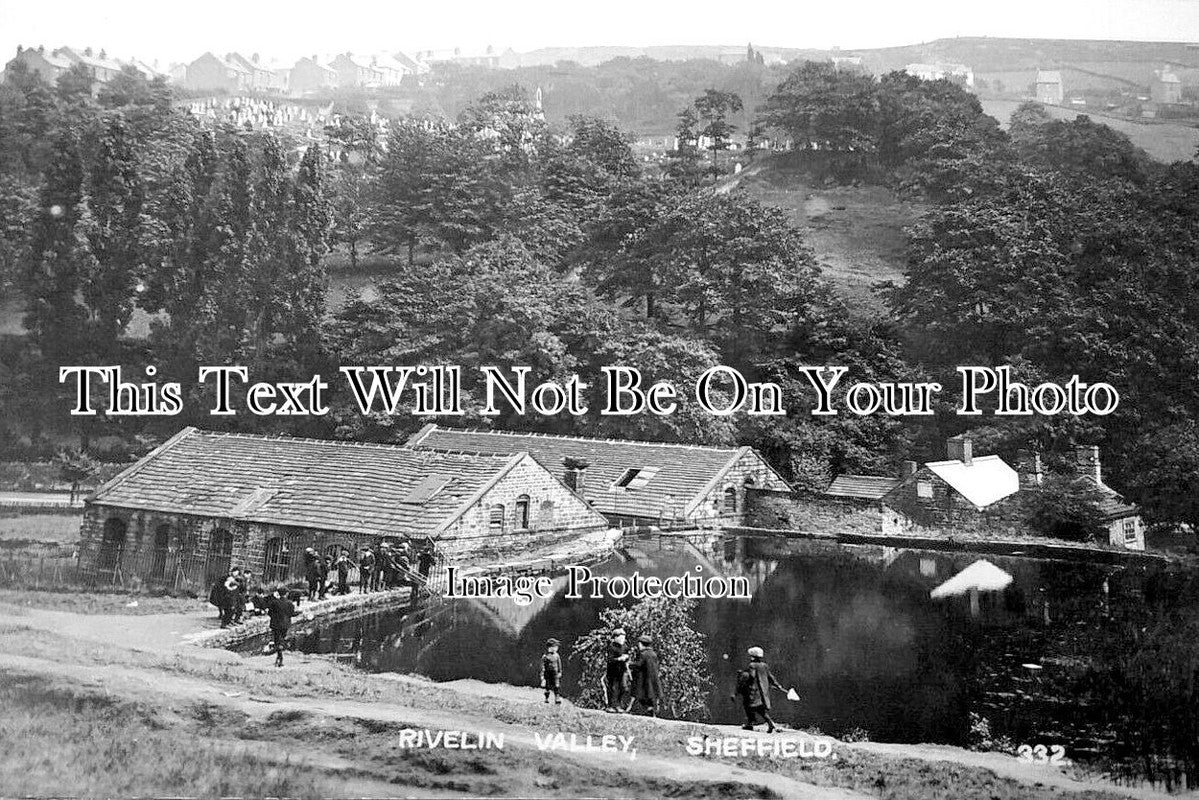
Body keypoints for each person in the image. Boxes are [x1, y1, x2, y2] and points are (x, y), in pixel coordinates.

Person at [733, 646, 786, 733]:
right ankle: (767, 723)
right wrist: (777, 685)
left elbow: (751, 676)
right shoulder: (764, 666)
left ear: (752, 657)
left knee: (749, 706)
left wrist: (743, 674)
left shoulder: (752, 665)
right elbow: (770, 677)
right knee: (760, 709)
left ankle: (752, 724)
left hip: (753, 691)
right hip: (762, 692)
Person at [630, 634, 662, 717]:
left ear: (641, 644)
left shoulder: (643, 654)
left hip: (644, 680)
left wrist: (630, 664)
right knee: (650, 696)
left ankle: (648, 710)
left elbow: (639, 664)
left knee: (641, 696)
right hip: (652, 679)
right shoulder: (653, 654)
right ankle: (651, 710)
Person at [266, 586, 297, 668]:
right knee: (282, 638)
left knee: (277, 639)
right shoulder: (290, 603)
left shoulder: (274, 602)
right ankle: (280, 656)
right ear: (286, 594)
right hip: (285, 624)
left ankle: (279, 656)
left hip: (275, 624)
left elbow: (269, 613)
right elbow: (292, 614)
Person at [604, 628, 631, 713]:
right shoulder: (611, 647)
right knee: (612, 688)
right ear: (615, 637)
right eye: (620, 637)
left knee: (622, 687)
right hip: (612, 671)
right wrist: (619, 659)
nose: (622, 639)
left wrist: (626, 658)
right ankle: (611, 706)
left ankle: (618, 705)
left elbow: (627, 656)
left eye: (623, 637)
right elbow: (609, 660)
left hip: (622, 670)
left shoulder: (625, 646)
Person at [541, 637, 563, 705]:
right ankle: (546, 698)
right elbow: (542, 666)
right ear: (549, 647)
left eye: (556, 647)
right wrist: (542, 676)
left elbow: (559, 664)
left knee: (556, 686)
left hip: (555, 674)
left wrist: (560, 672)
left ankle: (557, 698)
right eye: (554, 647)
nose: (556, 648)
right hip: (547, 674)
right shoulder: (545, 656)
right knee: (547, 687)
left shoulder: (557, 655)